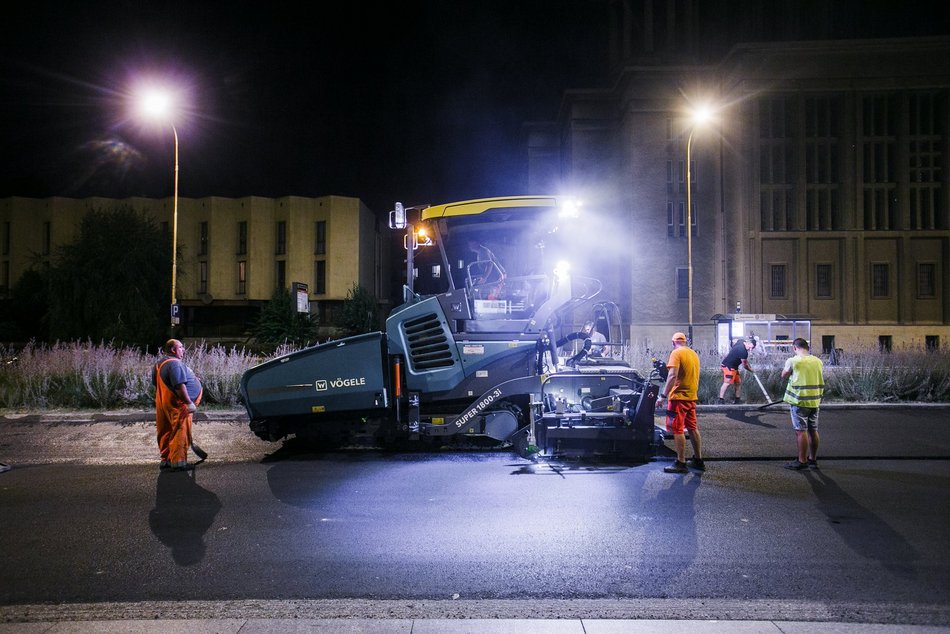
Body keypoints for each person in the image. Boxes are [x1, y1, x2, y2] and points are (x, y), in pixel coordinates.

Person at [154, 339, 205, 472]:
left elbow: (157, 383)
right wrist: (189, 403)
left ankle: (166, 460)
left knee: (165, 430)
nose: (183, 350)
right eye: (181, 347)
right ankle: (178, 462)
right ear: (173, 350)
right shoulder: (175, 364)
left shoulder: (160, 363)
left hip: (164, 402)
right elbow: (179, 386)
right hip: (178, 404)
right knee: (179, 432)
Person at [657, 331, 704, 473]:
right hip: (691, 397)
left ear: (673, 343)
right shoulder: (693, 354)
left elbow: (672, 376)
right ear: (685, 341)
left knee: (677, 429)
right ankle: (698, 460)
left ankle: (681, 462)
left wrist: (663, 396)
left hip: (678, 398)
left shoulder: (676, 353)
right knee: (692, 427)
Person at [781, 337, 824, 470]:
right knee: (813, 430)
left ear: (795, 348)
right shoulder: (818, 361)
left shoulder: (793, 361)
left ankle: (801, 461)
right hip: (815, 401)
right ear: (808, 348)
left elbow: (784, 375)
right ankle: (813, 460)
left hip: (799, 401)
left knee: (801, 431)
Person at [718, 336, 757, 404]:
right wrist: (751, 370)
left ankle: (737, 400)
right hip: (728, 366)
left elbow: (745, 361)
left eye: (752, 348)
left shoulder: (741, 341)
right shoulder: (743, 352)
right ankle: (721, 400)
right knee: (727, 383)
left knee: (738, 382)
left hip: (734, 367)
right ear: (748, 343)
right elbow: (745, 366)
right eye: (750, 347)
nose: (750, 349)